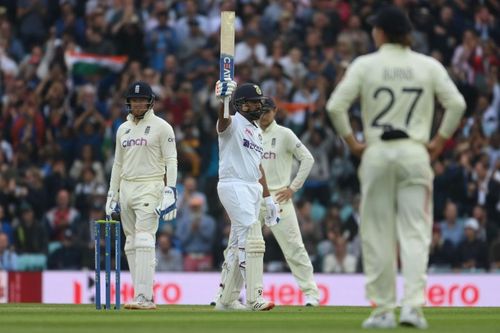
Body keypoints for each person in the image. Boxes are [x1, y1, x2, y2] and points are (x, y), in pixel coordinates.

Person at [326, 6, 466, 329]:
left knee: (377, 233)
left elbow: (335, 106)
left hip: (376, 152)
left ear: (381, 33)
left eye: (375, 29)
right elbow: (456, 103)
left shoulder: (366, 65)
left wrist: (353, 144)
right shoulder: (427, 66)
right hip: (415, 152)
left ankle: (384, 310)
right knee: (415, 232)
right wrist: (438, 142)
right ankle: (414, 308)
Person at [213, 97, 320, 306]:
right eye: (262, 111)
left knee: (294, 247)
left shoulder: (284, 134)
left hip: (278, 198)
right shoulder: (250, 130)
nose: (264, 115)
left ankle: (311, 294)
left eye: (268, 111)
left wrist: (293, 188)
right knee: (236, 246)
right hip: (252, 194)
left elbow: (308, 159)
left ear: (275, 112)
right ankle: (226, 296)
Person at [106, 81, 178, 310]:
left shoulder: (162, 127)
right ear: (129, 103)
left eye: (141, 100)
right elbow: (118, 163)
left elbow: (171, 160)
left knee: (145, 237)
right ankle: (139, 293)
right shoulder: (122, 129)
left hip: (150, 185)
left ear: (150, 102)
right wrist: (112, 193)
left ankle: (146, 297)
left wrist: (171, 190)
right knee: (131, 242)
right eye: (134, 100)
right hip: (126, 187)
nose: (137, 104)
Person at [213, 80, 280, 311]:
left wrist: (268, 198)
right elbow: (223, 122)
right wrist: (222, 101)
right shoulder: (232, 123)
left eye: (258, 102)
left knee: (236, 244)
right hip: (233, 184)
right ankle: (254, 298)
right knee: (252, 234)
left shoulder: (257, 131)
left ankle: (226, 300)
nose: (257, 107)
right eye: (252, 103)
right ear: (240, 105)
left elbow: (258, 167)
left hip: (252, 188)